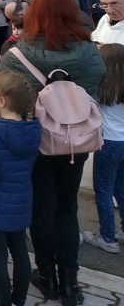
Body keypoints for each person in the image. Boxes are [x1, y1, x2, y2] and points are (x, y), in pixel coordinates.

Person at [0, 0, 105, 305]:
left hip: (37, 139)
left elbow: (4, 96)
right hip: (78, 140)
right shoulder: (89, 51)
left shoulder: (18, 53)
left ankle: (47, 275)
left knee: (42, 208)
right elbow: (100, 82)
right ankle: (71, 283)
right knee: (68, 207)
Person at [0, 71, 41, 306]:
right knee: (20, 252)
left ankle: (3, 302)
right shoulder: (33, 129)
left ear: (2, 101)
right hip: (21, 201)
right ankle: (19, 300)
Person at [81, 43, 124, 254]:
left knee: (104, 190)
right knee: (121, 188)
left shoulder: (102, 89)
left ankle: (108, 237)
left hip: (108, 142)